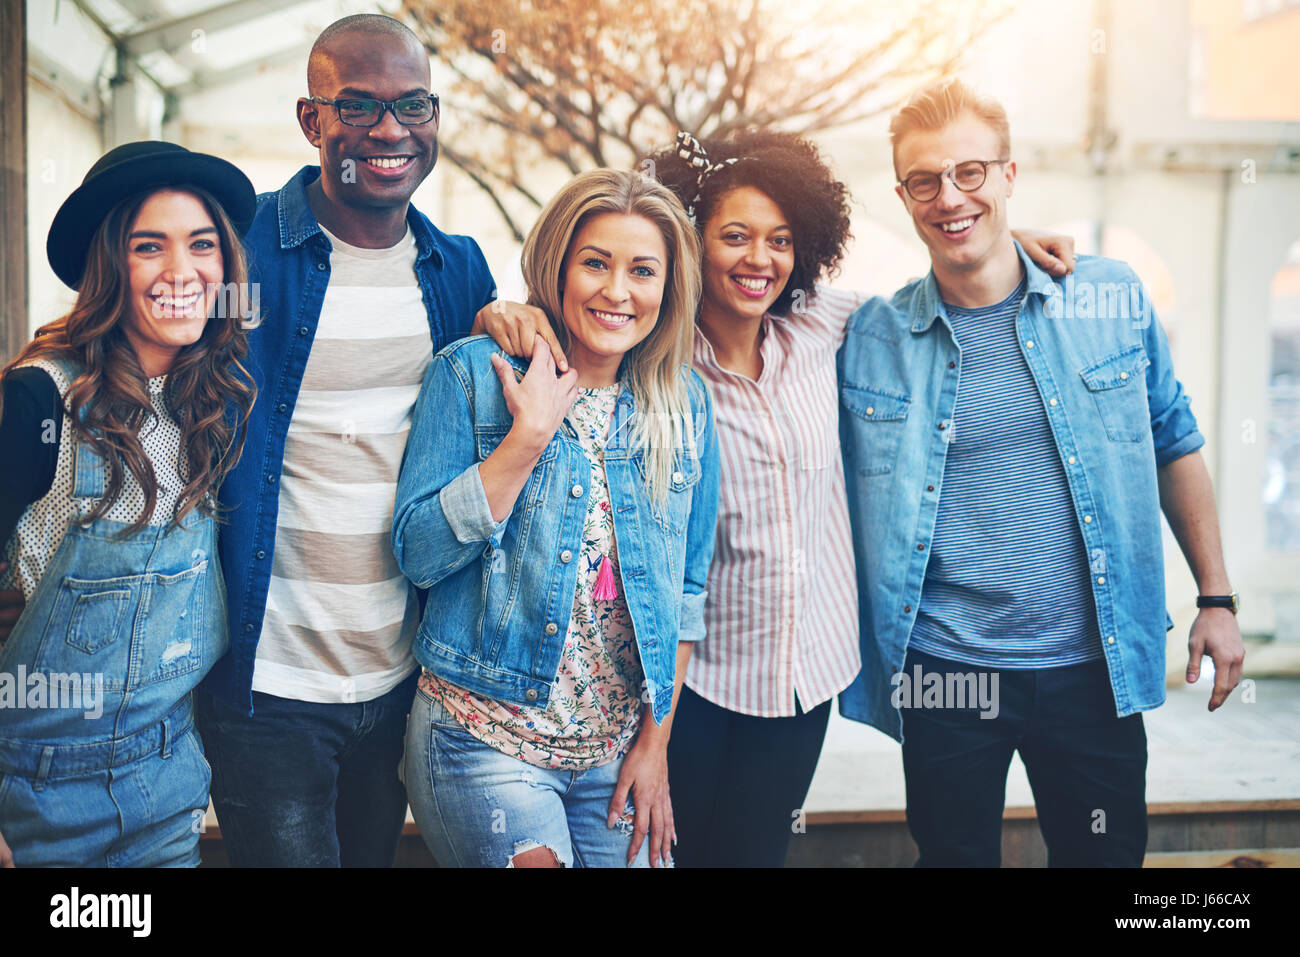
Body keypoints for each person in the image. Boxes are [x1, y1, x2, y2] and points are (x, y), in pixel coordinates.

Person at [477, 129, 1074, 866]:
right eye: (735, 236)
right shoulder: (653, 355)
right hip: (690, 683)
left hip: (803, 679)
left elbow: (938, 298)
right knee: (667, 850)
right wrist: (507, 314)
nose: (759, 259)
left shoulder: (822, 324)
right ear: (693, 241)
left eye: (781, 240)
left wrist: (1005, 244)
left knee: (756, 854)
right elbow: (576, 322)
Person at [837, 78, 1245, 866]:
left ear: (1010, 174)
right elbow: (744, 302)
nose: (949, 196)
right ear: (903, 196)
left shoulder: (1109, 298)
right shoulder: (870, 335)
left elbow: (1174, 440)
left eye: (971, 173)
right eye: (925, 180)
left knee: (1106, 858)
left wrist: (1218, 597)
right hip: (946, 671)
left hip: (1090, 664)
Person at [193, 13, 498, 867]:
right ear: (311, 120)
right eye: (358, 106)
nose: (391, 131)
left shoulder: (461, 269)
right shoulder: (239, 249)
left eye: (413, 105)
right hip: (266, 683)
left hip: (403, 677)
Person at [396, 168, 719, 868]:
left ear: (668, 288)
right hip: (482, 736)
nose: (616, 291)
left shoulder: (684, 405)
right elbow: (418, 554)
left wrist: (654, 747)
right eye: (595, 263)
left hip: (613, 753)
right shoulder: (475, 375)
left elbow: (688, 593)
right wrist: (525, 442)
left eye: (642, 270)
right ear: (558, 265)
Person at [0, 141, 257, 866]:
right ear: (111, 267)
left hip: (165, 786)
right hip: (31, 799)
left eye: (201, 245)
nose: (183, 271)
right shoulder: (38, 399)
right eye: (151, 247)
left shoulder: (216, 406)